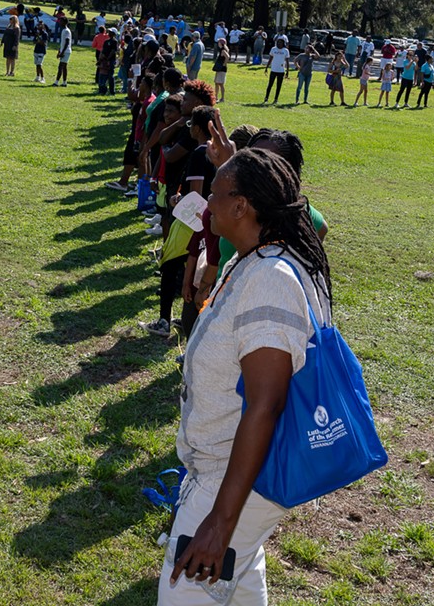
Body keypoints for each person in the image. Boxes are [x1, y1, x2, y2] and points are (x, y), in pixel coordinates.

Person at [162, 146, 332, 606]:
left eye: (215, 193)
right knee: (240, 584)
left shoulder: (270, 279)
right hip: (230, 475)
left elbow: (266, 403)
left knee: (183, 592)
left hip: (231, 480)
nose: (206, 202)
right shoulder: (252, 260)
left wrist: (219, 522)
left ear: (241, 207)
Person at [263, 36, 290, 104]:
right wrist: (266, 67)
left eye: (280, 43)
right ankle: (266, 98)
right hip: (273, 70)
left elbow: (287, 62)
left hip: (281, 71)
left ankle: (276, 99)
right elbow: (270, 59)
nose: (278, 44)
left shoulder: (285, 50)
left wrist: (287, 72)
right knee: (270, 85)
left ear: (283, 43)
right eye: (277, 42)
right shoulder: (273, 49)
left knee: (279, 86)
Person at [54, 20, 73, 86]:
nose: (59, 23)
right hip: (64, 51)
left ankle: (56, 82)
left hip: (66, 51)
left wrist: (62, 52)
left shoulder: (66, 31)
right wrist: (59, 51)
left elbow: (67, 42)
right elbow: (62, 43)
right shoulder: (63, 30)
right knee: (64, 67)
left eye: (60, 21)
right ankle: (64, 82)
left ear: (64, 22)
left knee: (60, 67)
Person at [212, 39, 230, 104]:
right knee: (216, 82)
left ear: (221, 43)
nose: (217, 43)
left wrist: (224, 64)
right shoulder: (221, 50)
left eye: (218, 42)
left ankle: (222, 98)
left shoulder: (223, 50)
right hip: (219, 69)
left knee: (221, 84)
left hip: (222, 69)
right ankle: (215, 96)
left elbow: (227, 57)